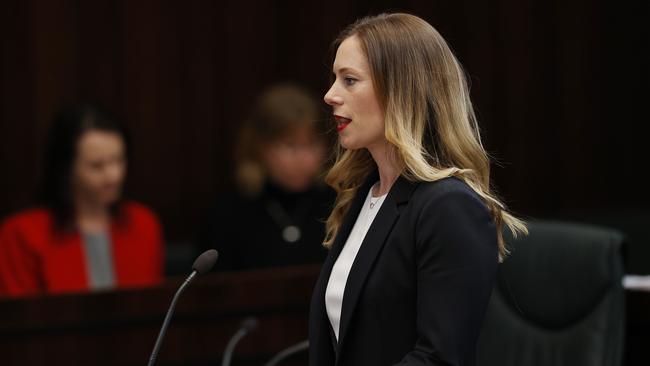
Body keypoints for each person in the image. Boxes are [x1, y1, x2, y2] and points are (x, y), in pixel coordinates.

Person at [308, 13, 527, 366]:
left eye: (349, 80)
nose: (330, 95)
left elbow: (440, 358)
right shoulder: (365, 194)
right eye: (334, 79)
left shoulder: (449, 207)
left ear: (402, 90)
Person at [0, 104, 163, 298]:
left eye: (118, 160)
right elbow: (20, 319)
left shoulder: (143, 224)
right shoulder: (21, 234)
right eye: (96, 165)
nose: (113, 175)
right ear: (67, 169)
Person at [197, 83, 334, 270]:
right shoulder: (229, 212)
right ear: (260, 147)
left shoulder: (337, 204)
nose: (303, 158)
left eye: (311, 144)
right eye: (290, 145)